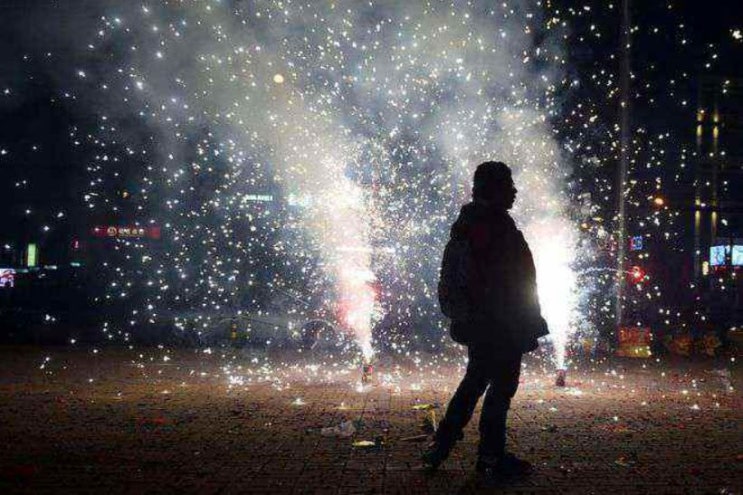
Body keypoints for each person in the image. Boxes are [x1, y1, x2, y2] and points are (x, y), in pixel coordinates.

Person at [423, 161, 549, 479]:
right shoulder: (489, 225)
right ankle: (491, 458)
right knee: (500, 388)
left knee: (475, 382)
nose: (515, 191)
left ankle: (442, 446)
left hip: (487, 321)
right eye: (509, 184)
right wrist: (521, 318)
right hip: (499, 323)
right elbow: (507, 280)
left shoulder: (475, 222)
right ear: (494, 189)